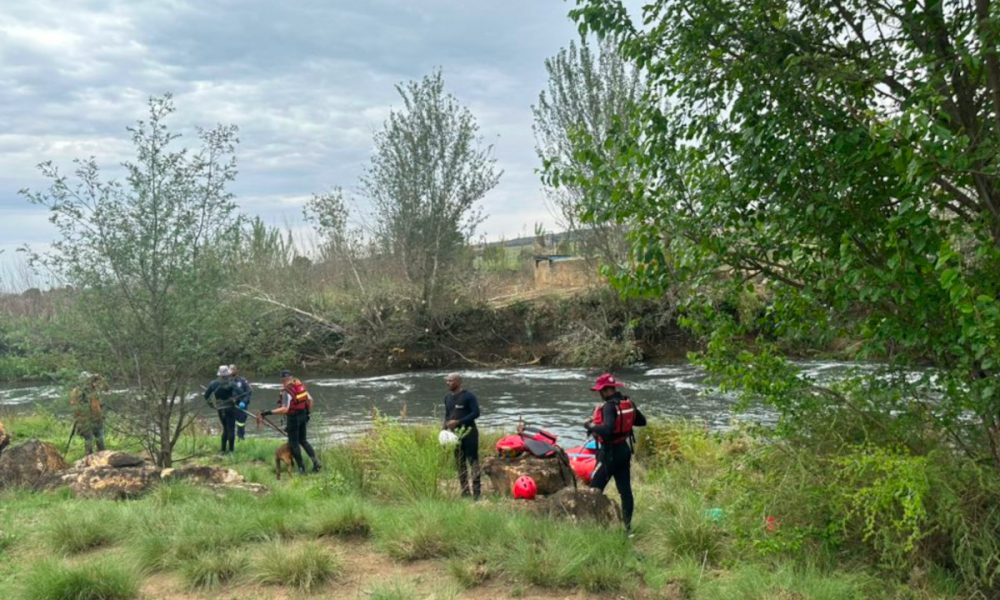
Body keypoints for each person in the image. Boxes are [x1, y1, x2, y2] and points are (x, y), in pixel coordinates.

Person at [584, 372, 646, 533]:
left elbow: (607, 430)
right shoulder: (628, 402)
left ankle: (594, 527)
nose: (599, 394)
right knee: (625, 491)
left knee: (593, 490)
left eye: (600, 391)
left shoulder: (609, 407)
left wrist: (590, 426)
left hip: (608, 454)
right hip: (624, 451)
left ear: (605, 390)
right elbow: (642, 421)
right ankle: (627, 528)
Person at [260, 369, 321, 474]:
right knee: (303, 440)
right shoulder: (299, 386)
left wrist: (268, 412)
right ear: (291, 378)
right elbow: (311, 400)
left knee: (294, 444)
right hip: (303, 415)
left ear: (282, 380)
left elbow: (285, 409)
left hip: (293, 418)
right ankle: (316, 463)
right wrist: (307, 413)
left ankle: (302, 469)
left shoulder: (286, 391)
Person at [443, 372, 481, 499]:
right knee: (460, 463)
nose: (448, 383)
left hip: (469, 433)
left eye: (451, 380)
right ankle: (465, 492)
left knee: (473, 461)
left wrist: (459, 422)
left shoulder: (469, 396)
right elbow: (447, 415)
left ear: (459, 382)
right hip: (454, 436)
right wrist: (444, 429)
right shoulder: (447, 398)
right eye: (447, 381)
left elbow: (476, 413)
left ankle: (477, 493)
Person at [204, 365, 241, 454]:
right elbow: (240, 394)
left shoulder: (213, 383)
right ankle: (231, 451)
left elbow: (206, 396)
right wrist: (236, 401)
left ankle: (223, 450)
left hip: (220, 409)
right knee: (231, 429)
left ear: (219, 374)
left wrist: (212, 405)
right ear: (228, 374)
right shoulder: (231, 383)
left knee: (225, 428)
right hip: (230, 408)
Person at [69, 371, 107, 455]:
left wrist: (99, 377)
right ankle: (89, 458)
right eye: (89, 380)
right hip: (85, 420)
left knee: (100, 438)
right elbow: (76, 407)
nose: (91, 381)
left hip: (97, 418)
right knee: (89, 439)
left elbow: (106, 388)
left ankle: (103, 456)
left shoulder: (93, 390)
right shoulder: (77, 392)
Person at [229, 364, 253, 441]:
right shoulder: (226, 381)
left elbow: (248, 392)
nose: (231, 371)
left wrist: (244, 402)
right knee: (230, 423)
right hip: (230, 405)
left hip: (241, 405)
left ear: (236, 370)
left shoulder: (242, 380)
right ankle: (230, 439)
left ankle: (241, 438)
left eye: (233, 369)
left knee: (241, 423)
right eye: (230, 369)